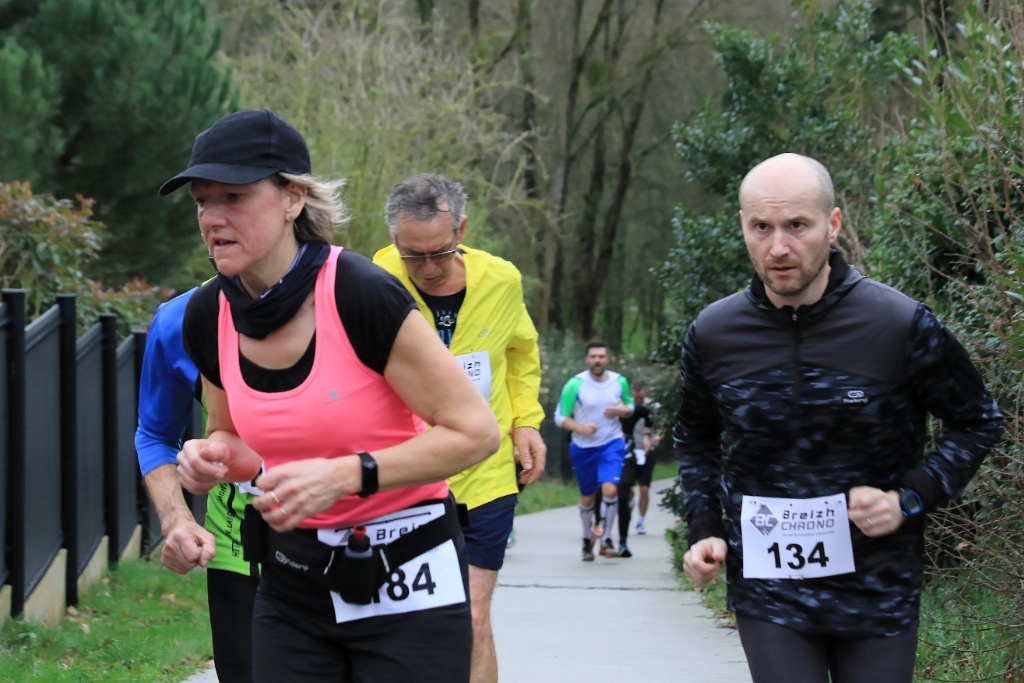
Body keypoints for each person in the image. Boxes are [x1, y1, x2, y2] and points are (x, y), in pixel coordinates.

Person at [160, 109, 501, 683]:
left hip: (408, 573)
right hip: (294, 581)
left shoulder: (360, 294)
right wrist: (209, 456)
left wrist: (345, 475)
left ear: (293, 199)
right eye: (202, 202)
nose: (212, 218)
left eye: (234, 197)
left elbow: (476, 433)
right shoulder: (207, 314)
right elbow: (231, 437)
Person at [674, 152, 1003, 683]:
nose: (778, 247)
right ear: (743, 227)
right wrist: (705, 528)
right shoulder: (714, 333)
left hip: (878, 586)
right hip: (769, 587)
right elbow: (694, 435)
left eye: (797, 225)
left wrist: (908, 498)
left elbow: (978, 421)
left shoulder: (898, 324)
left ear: (833, 225)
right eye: (761, 227)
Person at [373, 173, 546, 683]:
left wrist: (526, 421)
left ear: (461, 230)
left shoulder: (502, 280)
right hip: (408, 476)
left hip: (485, 474)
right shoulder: (374, 280)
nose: (428, 268)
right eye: (413, 255)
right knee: (407, 623)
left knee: (472, 616)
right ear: (394, 240)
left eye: (440, 253)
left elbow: (521, 353)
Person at [135, 286, 258, 683]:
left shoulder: (348, 295)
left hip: (341, 545)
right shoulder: (181, 319)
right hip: (239, 549)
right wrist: (176, 519)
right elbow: (155, 434)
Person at [554, 341, 634, 561]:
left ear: (608, 359)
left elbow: (629, 406)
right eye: (593, 357)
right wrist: (580, 428)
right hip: (583, 447)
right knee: (588, 497)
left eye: (601, 356)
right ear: (587, 359)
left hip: (612, 443)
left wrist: (623, 410)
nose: (597, 360)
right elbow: (560, 416)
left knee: (610, 489)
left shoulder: (619, 381)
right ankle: (586, 539)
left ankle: (606, 539)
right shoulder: (575, 384)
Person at [616, 380, 660, 557]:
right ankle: (629, 504)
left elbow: (661, 425)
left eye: (641, 398)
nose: (639, 401)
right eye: (636, 398)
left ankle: (641, 520)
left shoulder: (653, 407)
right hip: (630, 452)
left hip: (647, 452)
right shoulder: (626, 408)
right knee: (627, 488)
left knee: (644, 489)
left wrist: (656, 437)